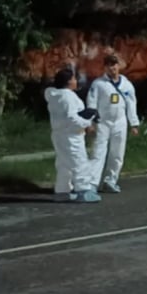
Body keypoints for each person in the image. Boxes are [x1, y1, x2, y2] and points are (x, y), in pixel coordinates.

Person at [45, 67, 101, 203]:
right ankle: (83, 190)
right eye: (74, 79)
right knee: (79, 162)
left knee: (64, 163)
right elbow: (71, 117)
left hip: (59, 134)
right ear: (69, 81)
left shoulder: (53, 95)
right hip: (71, 135)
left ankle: (62, 191)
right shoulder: (68, 96)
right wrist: (87, 121)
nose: (76, 81)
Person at [86, 54, 140, 194]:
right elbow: (91, 103)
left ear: (119, 66)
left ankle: (110, 180)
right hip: (102, 122)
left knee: (117, 153)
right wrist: (90, 122)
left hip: (120, 122)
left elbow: (131, 104)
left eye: (115, 64)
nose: (113, 68)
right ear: (105, 67)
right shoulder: (98, 84)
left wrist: (133, 123)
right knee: (98, 153)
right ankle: (92, 183)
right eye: (109, 65)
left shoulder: (127, 84)